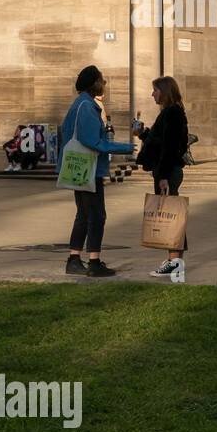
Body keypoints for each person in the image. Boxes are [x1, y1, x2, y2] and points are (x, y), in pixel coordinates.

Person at [58, 65, 135, 277]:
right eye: (102, 79)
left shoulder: (80, 104)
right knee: (97, 215)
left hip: (80, 170)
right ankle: (94, 262)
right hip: (88, 171)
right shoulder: (86, 106)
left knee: (84, 214)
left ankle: (74, 260)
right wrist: (127, 147)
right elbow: (95, 142)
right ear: (94, 83)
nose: (105, 83)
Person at [135, 76, 190, 278]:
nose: (152, 94)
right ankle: (174, 261)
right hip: (165, 169)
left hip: (167, 170)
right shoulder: (170, 112)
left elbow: (170, 146)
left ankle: (175, 262)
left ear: (164, 92)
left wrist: (164, 175)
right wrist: (142, 134)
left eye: (155, 90)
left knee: (172, 217)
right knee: (172, 216)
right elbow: (160, 141)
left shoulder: (172, 113)